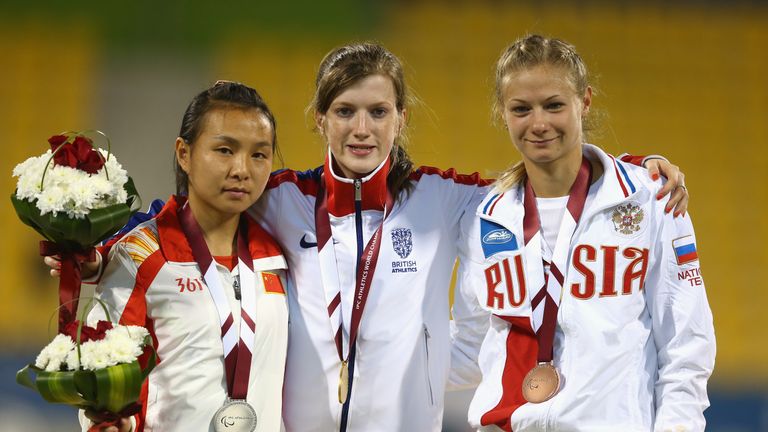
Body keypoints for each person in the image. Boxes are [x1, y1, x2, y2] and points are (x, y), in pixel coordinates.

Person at [50, 43, 690, 432]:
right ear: (320, 119)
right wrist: (101, 250)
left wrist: (633, 171)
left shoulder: (443, 198)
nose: (362, 129)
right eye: (345, 112)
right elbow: (194, 207)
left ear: (400, 119)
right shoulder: (280, 198)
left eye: (378, 112)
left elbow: (541, 173)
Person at [460, 35, 715, 431]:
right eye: (522, 109)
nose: (539, 123)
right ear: (502, 112)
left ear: (585, 101)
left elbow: (687, 345)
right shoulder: (485, 216)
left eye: (555, 105)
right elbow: (470, 343)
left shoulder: (651, 199)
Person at [74, 81, 289, 432]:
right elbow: (102, 371)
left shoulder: (277, 255)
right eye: (224, 150)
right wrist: (119, 423)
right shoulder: (142, 255)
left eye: (259, 154)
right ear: (184, 154)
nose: (242, 169)